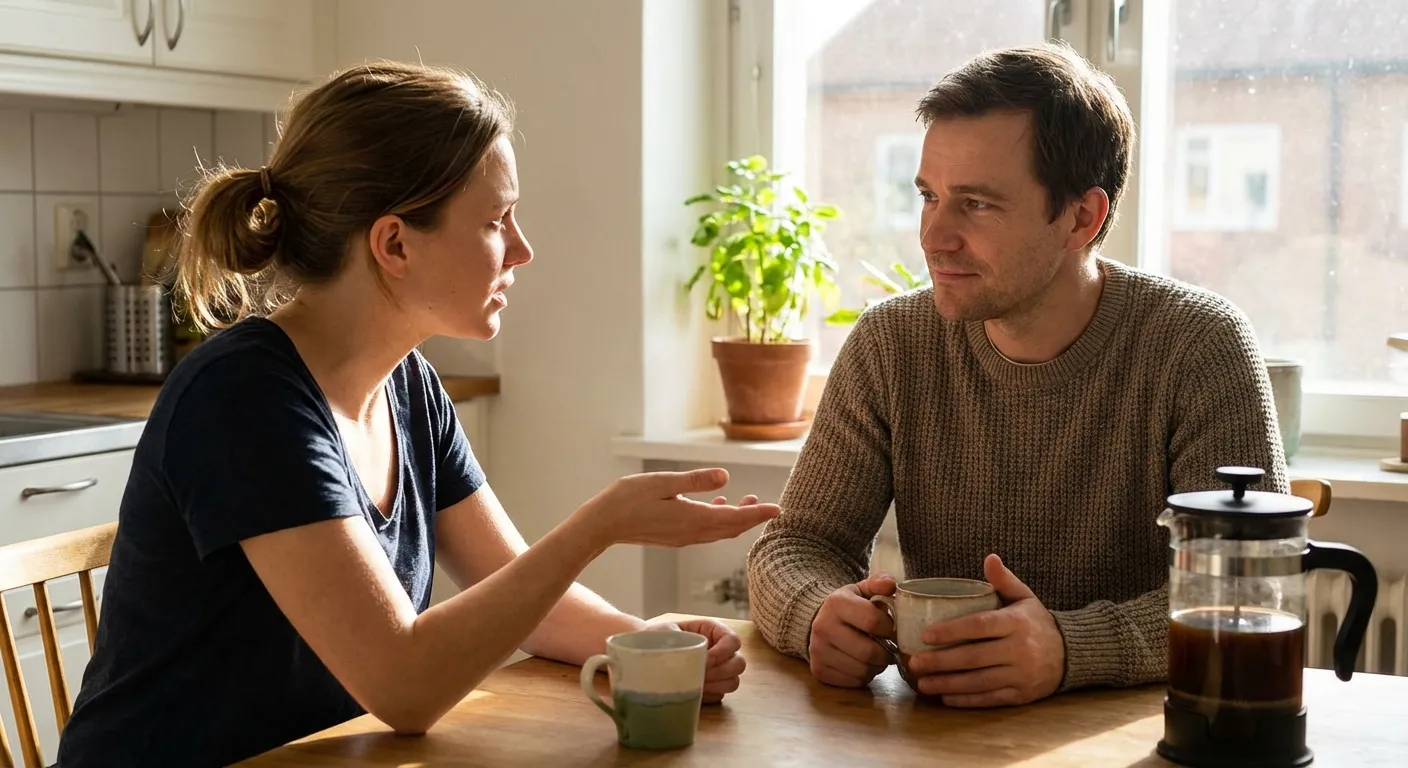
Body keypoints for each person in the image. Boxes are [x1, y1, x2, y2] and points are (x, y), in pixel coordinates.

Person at [55, 62, 779, 767]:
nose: (522, 250)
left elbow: (527, 596)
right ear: (394, 243)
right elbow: (404, 686)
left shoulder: (409, 386)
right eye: (497, 221)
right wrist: (600, 526)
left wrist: (643, 646)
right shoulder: (243, 398)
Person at [746, 42, 1286, 707]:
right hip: (939, 739)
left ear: (1081, 218)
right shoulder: (891, 344)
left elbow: (1242, 596)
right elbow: (794, 546)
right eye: (929, 197)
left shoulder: (1197, 344)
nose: (933, 237)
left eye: (975, 205)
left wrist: (1068, 647)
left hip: (1143, 736)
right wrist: (816, 614)